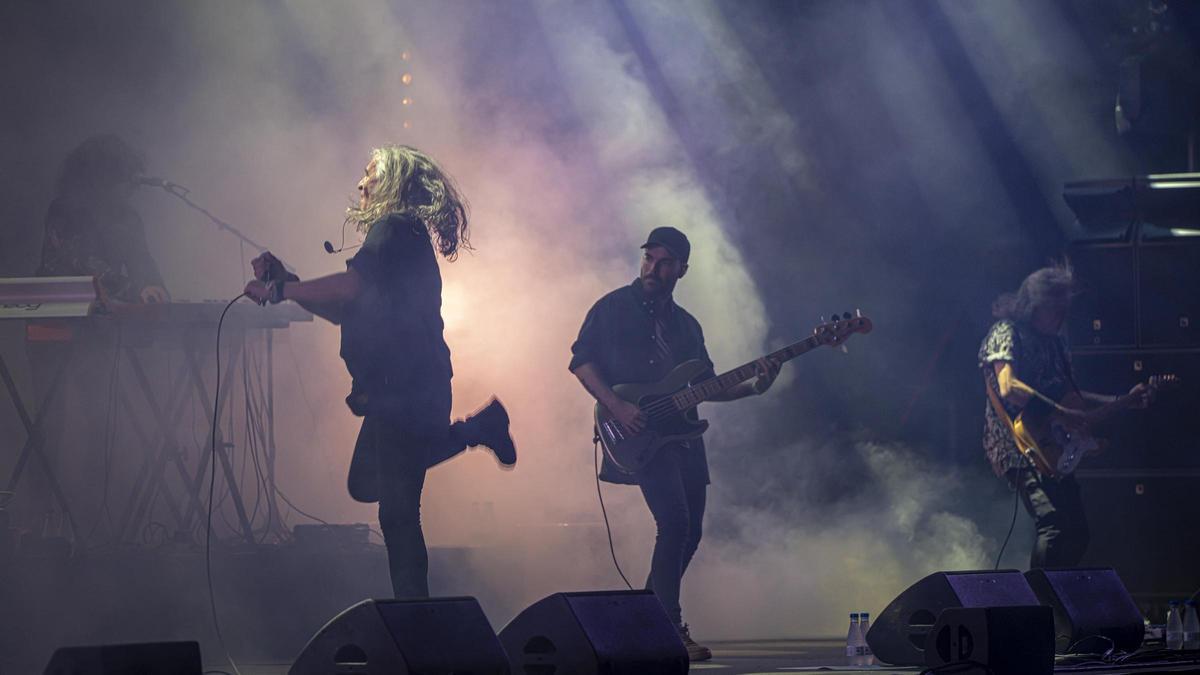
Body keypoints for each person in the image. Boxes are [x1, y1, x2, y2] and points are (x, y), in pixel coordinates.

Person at [244, 145, 515, 598]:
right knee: (366, 484)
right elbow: (344, 309)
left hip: (407, 390)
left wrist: (281, 289)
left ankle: (415, 624)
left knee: (398, 513)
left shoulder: (392, 229)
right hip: (407, 388)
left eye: (369, 172)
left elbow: (351, 287)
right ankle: (479, 428)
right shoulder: (397, 235)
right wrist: (288, 286)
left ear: (393, 182)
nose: (360, 182)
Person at [569, 226, 780, 662]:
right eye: (649, 258)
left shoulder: (686, 325)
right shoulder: (612, 308)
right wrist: (617, 407)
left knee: (693, 531)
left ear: (682, 268)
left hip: (683, 434)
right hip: (637, 431)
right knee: (675, 524)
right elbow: (580, 361)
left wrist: (754, 387)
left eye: (665, 262)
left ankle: (642, 619)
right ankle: (667, 625)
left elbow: (707, 387)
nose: (653, 268)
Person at [979, 265, 1150, 569]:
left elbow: (1070, 395)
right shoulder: (1007, 331)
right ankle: (1041, 607)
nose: (1061, 316)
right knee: (1054, 526)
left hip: (1051, 444)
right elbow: (1008, 386)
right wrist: (1060, 411)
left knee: (1078, 532)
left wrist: (1123, 400)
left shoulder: (1056, 342)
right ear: (1035, 304)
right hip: (1017, 446)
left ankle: (1058, 601)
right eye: (1055, 309)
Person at [37, 134, 168, 304]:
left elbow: (141, 259)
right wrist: (136, 290)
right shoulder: (63, 210)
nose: (131, 186)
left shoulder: (127, 216)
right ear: (102, 178)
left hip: (105, 312)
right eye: (123, 176)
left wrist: (153, 286)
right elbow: (82, 260)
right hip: (58, 310)